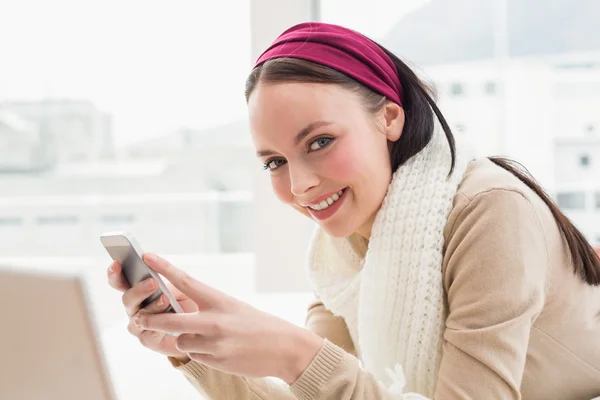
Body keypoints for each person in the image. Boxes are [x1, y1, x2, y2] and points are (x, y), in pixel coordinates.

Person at [107, 22, 600, 399]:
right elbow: (325, 390)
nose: (300, 186)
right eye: (275, 162)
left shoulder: (490, 211)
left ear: (389, 116)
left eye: (320, 141)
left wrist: (295, 354)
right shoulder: (340, 248)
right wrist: (195, 348)